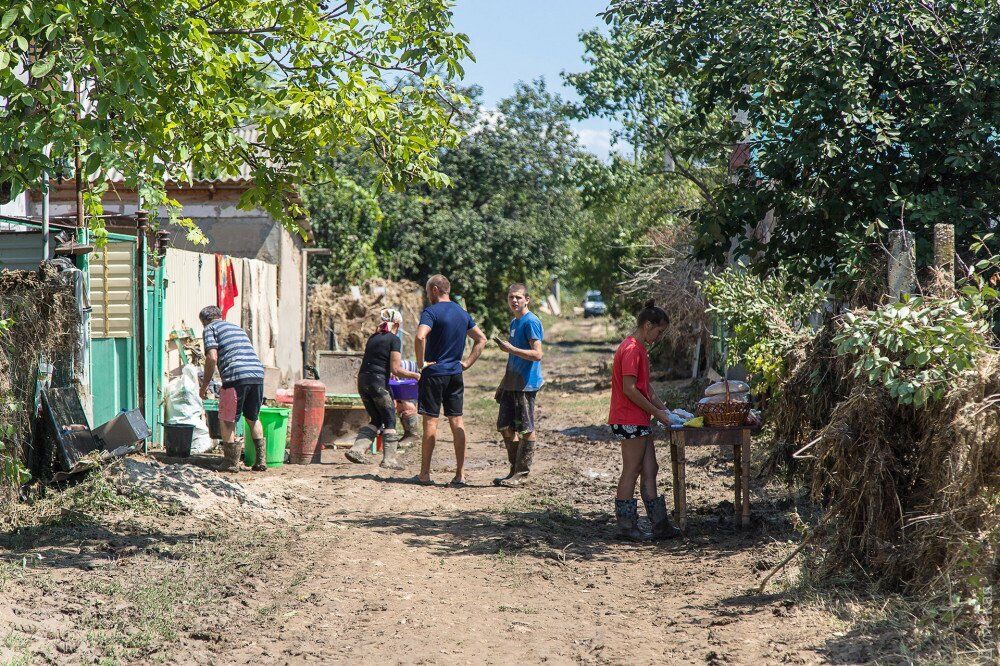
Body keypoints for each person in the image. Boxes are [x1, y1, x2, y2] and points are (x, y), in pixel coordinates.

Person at [607, 300, 682, 541]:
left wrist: (667, 411)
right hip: (629, 418)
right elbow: (630, 390)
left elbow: (645, 387)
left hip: (639, 418)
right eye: (659, 332)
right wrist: (659, 415)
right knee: (632, 470)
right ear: (648, 325)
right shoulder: (631, 349)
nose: (659, 337)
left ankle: (659, 525)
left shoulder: (639, 348)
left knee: (651, 468)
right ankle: (626, 526)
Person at [413, 274, 487, 486]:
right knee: (457, 421)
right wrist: (467, 363)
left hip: (434, 373)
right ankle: (460, 474)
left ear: (435, 289)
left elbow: (420, 336)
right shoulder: (462, 313)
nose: (427, 295)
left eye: (428, 291)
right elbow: (481, 339)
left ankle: (425, 474)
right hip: (455, 373)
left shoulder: (431, 312)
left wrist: (421, 364)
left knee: (431, 421)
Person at [345, 309, 421, 469]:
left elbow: (379, 361)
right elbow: (396, 369)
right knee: (390, 421)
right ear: (398, 325)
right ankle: (389, 460)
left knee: (376, 419)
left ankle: (357, 449)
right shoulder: (394, 340)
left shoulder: (373, 338)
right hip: (378, 383)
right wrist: (415, 376)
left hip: (363, 382)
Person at [197, 306, 268, 472]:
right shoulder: (237, 328)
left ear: (204, 321)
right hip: (257, 374)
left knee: (227, 419)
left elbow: (212, 357)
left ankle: (230, 463)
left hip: (235, 375)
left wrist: (205, 384)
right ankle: (261, 461)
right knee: (253, 417)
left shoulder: (210, 328)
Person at [492, 283, 544, 487]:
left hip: (526, 384)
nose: (514, 300)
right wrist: (504, 383)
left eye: (518, 297)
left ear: (527, 300)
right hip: (511, 383)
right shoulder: (515, 322)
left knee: (526, 428)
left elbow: (538, 354)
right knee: (506, 427)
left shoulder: (531, 321)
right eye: (511, 297)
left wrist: (511, 349)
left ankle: (522, 474)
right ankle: (513, 470)